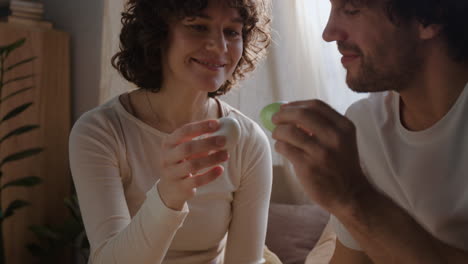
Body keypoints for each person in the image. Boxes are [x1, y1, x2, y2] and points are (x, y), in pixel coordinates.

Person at [69, 0, 276, 263]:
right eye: (199, 27)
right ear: (157, 33)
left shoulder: (249, 141)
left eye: (232, 32)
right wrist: (168, 197)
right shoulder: (100, 132)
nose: (220, 46)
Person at [271, 0, 468, 263]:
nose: (328, 33)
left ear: (430, 18)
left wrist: (352, 196)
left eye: (351, 10)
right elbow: (349, 259)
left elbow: (354, 203)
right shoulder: (364, 123)